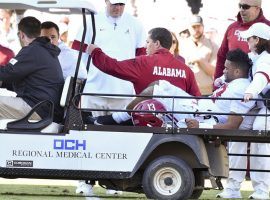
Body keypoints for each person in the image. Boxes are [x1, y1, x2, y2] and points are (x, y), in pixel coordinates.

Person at [90, 49, 254, 132]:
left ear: (238, 71)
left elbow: (233, 124)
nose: (223, 71)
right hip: (201, 106)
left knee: (157, 89)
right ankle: (122, 118)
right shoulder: (235, 83)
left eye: (226, 68)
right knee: (160, 84)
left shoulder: (241, 89)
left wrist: (202, 125)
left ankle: (119, 118)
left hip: (201, 114)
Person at [216, 22, 270, 200]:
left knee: (260, 140)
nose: (247, 40)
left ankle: (262, 190)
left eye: (250, 37)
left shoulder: (266, 58)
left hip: (265, 108)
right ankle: (232, 188)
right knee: (237, 136)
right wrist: (222, 79)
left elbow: (262, 77)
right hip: (259, 106)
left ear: (258, 39)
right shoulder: (255, 56)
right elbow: (239, 69)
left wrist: (250, 91)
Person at [72, 0, 147, 117]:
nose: (117, 7)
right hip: (93, 91)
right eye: (114, 4)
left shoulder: (136, 24)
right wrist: (85, 79)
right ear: (106, 1)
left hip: (123, 93)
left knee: (119, 134)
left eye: (121, 4)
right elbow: (77, 53)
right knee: (88, 132)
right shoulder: (91, 21)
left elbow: (141, 60)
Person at [87, 27, 201, 97]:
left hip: (146, 125)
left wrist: (95, 52)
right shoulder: (186, 70)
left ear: (157, 44)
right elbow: (197, 99)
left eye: (147, 42)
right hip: (177, 127)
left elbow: (113, 67)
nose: (145, 46)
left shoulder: (143, 63)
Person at [0, 16, 64, 123]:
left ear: (21, 34)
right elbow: (27, 82)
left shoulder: (32, 50)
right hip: (44, 106)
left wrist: (3, 80)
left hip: (38, 107)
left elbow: (7, 73)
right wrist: (3, 83)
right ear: (39, 32)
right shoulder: (45, 50)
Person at [214, 0, 270, 83]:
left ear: (257, 9)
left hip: (259, 89)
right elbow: (221, 57)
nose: (241, 9)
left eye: (245, 7)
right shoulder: (232, 28)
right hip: (231, 88)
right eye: (240, 6)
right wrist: (217, 82)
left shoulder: (268, 28)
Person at [179, 15, 218, 96]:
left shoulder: (212, 45)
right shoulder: (181, 45)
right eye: (194, 27)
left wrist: (200, 60)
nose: (196, 29)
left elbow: (214, 71)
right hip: (186, 91)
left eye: (199, 26)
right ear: (189, 28)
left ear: (203, 27)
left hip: (206, 91)